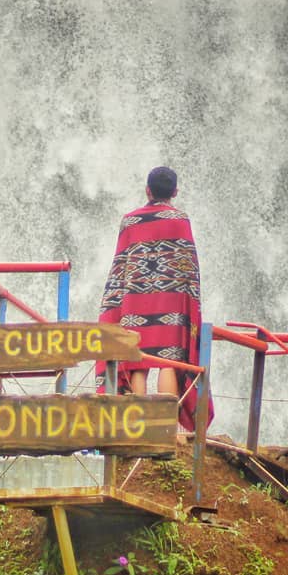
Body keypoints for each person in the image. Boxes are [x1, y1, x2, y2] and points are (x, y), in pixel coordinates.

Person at [97, 166, 210, 430]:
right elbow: (189, 271)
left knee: (137, 361)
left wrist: (112, 306)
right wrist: (192, 307)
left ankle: (139, 428)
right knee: (168, 361)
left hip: (134, 301)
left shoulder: (130, 221)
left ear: (147, 190)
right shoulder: (181, 220)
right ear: (175, 192)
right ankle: (165, 429)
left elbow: (120, 268)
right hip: (171, 301)